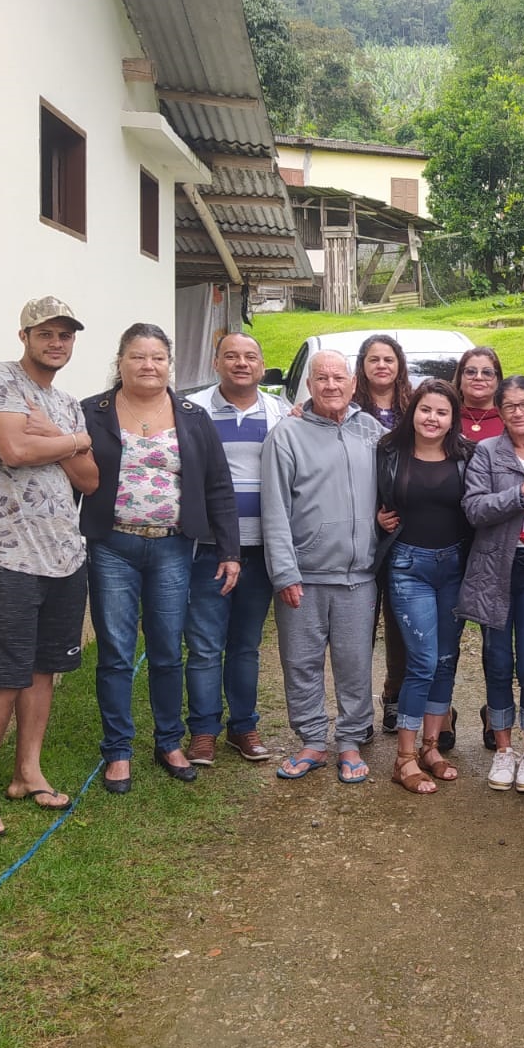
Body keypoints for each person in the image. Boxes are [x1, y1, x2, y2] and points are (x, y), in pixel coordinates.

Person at [0, 298, 99, 838]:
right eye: (46, 333)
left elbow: (89, 480)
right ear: (24, 334)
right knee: (5, 675)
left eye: (65, 335)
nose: (56, 342)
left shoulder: (64, 403)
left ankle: (27, 772)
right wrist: (72, 441)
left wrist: (60, 439)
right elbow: (13, 448)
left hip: (65, 553)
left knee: (44, 670)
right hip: (10, 554)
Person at [81, 323, 239, 793]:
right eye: (137, 357)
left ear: (169, 363)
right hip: (112, 545)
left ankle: (169, 740)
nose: (148, 366)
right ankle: (118, 750)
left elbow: (217, 486)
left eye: (157, 357)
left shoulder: (192, 415)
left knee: (168, 648)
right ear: (120, 362)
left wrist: (230, 550)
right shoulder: (92, 412)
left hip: (172, 546)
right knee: (115, 651)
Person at [261, 349, 383, 786]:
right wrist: (284, 572)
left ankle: (350, 740)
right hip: (305, 575)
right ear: (308, 386)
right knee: (301, 662)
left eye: (339, 377)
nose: (331, 385)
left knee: (355, 662)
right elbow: (273, 508)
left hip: (359, 577)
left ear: (353, 384)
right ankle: (312, 739)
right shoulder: (287, 435)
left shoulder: (371, 431)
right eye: (322, 378)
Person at [181, 333, 290, 765]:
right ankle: (203, 731)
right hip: (207, 549)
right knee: (206, 645)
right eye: (231, 356)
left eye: (250, 357)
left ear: (262, 366)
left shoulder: (280, 413)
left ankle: (242, 727)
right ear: (216, 363)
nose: (241, 363)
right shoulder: (193, 411)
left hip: (260, 550)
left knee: (245, 645)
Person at [459, 375, 524, 793]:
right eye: (510, 407)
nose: (518, 413)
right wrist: (522, 491)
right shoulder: (486, 453)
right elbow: (474, 509)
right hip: (496, 570)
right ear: (500, 413)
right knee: (498, 662)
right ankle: (503, 751)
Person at [377, 379, 474, 794]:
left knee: (447, 659)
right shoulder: (388, 452)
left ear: (452, 419)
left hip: (454, 565)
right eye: (425, 410)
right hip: (407, 566)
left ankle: (431, 748)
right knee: (422, 661)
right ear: (412, 411)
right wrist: (375, 520)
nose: (432, 419)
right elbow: (364, 498)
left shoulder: (467, 456)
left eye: (442, 412)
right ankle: (404, 757)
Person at [354, 333, 413, 740]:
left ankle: (394, 693)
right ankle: (356, 708)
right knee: (359, 621)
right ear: (362, 366)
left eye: (388, 359)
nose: (381, 366)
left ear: (399, 365)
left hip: (403, 531)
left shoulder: (413, 408)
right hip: (360, 525)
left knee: (399, 620)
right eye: (373, 359)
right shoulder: (347, 407)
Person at [452, 345, 505, 442]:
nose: (478, 377)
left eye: (487, 373)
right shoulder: (446, 415)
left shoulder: (510, 419)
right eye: (471, 372)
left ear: (498, 381)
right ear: (460, 378)